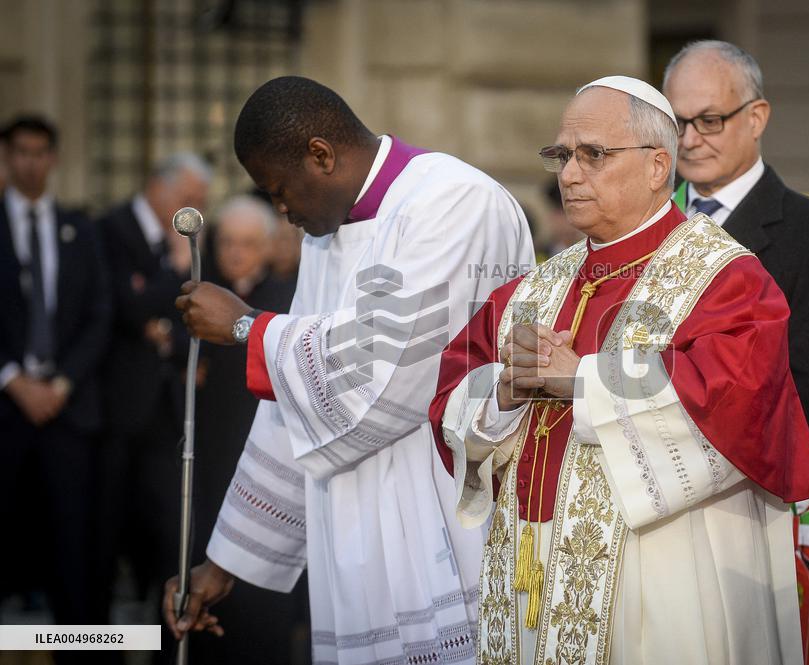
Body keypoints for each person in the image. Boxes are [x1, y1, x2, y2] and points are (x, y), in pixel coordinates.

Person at [430, 75, 809, 665]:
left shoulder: (725, 279)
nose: (568, 174)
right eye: (561, 155)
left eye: (593, 155)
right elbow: (451, 395)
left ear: (657, 166)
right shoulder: (532, 288)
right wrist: (503, 393)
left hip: (664, 565)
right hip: (528, 564)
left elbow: (735, 401)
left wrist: (584, 380)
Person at [167, 76, 534, 665]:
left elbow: (389, 374)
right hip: (355, 534)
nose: (281, 212)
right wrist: (224, 563)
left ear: (321, 154)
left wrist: (246, 328)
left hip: (445, 517)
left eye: (280, 190)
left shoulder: (455, 201)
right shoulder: (325, 235)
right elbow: (298, 404)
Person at [662, 40, 809, 662]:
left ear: (756, 118)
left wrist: (667, 451)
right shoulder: (644, 227)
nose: (690, 139)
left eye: (710, 119)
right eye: (676, 123)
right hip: (647, 501)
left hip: (760, 506)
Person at [0, 116, 111, 631]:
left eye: (40, 151)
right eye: (21, 151)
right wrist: (13, 381)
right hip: (6, 406)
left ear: (54, 158)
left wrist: (60, 384)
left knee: (73, 543)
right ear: (7, 156)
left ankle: (79, 649)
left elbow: (99, 314)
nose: (30, 161)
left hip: (67, 409)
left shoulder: (80, 229)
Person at [95, 152, 212, 632]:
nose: (195, 211)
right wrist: (171, 274)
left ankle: (169, 638)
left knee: (169, 537)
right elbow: (119, 305)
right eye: (188, 200)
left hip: (168, 415)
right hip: (114, 415)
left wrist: (162, 325)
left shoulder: (187, 240)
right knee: (104, 539)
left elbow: (198, 309)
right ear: (159, 189)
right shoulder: (108, 230)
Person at [190, 195, 303, 664]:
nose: (236, 253)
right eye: (228, 242)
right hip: (210, 451)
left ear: (268, 245)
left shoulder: (288, 298)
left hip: (266, 453)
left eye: (247, 243)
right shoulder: (200, 295)